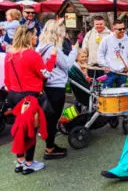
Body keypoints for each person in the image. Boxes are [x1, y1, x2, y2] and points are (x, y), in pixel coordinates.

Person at [4, 25, 57, 174]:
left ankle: (20, 161)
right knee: (29, 131)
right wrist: (53, 57)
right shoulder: (32, 55)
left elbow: (7, 80)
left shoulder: (9, 55)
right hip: (30, 97)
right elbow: (45, 74)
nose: (36, 37)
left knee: (20, 130)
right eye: (34, 35)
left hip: (14, 96)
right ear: (28, 37)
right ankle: (29, 163)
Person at [37, 20, 79, 160]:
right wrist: (74, 51)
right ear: (58, 33)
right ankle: (50, 149)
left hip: (47, 85)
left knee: (49, 117)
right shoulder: (52, 48)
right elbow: (66, 64)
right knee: (53, 119)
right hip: (56, 86)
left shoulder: (40, 46)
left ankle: (51, 145)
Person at [97, 19, 128, 88]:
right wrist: (104, 65)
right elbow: (100, 53)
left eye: (124, 28)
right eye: (120, 29)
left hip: (123, 71)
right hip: (110, 71)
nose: (122, 31)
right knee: (106, 92)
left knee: (122, 93)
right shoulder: (106, 39)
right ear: (114, 29)